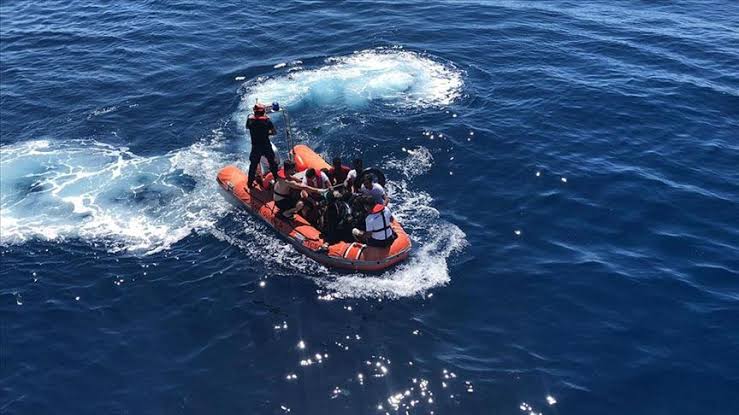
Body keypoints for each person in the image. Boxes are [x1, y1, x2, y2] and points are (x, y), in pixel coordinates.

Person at [246, 103, 279, 188]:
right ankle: (277, 181)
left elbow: (248, 125)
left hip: (256, 147)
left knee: (253, 165)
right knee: (272, 164)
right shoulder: (267, 121)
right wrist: (267, 133)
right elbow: (274, 132)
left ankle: (249, 184)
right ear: (263, 112)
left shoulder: (250, 121)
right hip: (266, 146)